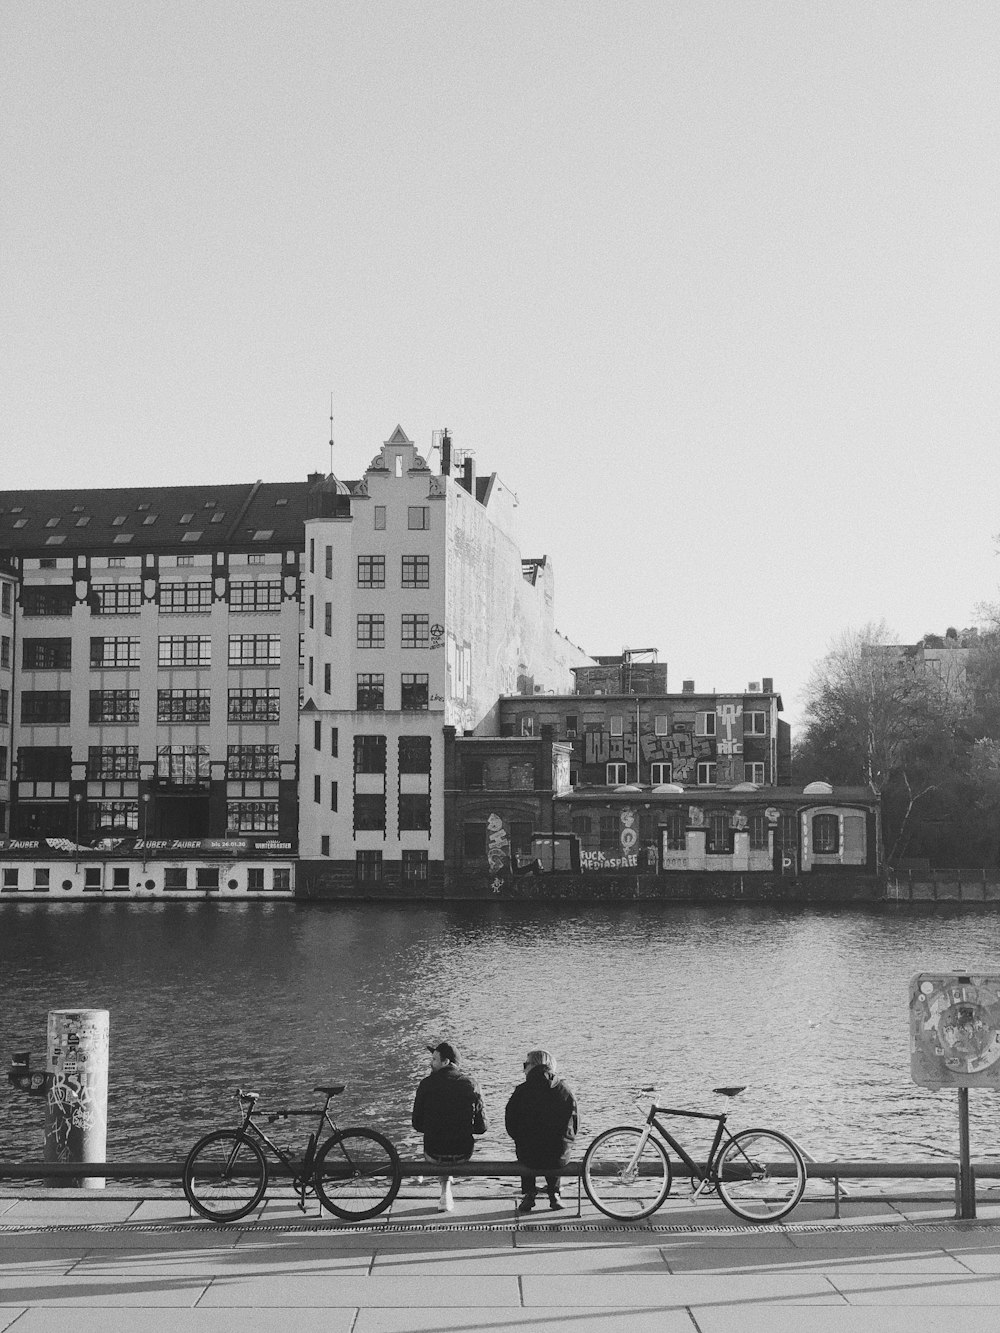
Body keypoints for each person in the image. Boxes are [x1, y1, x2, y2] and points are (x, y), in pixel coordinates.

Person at [411, 1040, 487, 1212]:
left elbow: (417, 1124)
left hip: (433, 1153)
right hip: (462, 1152)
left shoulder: (426, 1084)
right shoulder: (471, 1084)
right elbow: (482, 1127)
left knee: (439, 1139)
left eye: (434, 1059)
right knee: (451, 1138)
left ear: (446, 1062)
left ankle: (445, 1191)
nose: (431, 1063)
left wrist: (436, 1124)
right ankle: (446, 1192)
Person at [505, 1049, 578, 1212]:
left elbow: (510, 1123)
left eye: (525, 1065)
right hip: (557, 1157)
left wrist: (519, 1138)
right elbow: (574, 1124)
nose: (523, 1069)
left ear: (533, 1066)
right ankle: (554, 1193)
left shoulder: (522, 1091)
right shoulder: (564, 1090)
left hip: (528, 1155)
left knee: (528, 1140)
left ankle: (530, 1193)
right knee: (557, 1142)